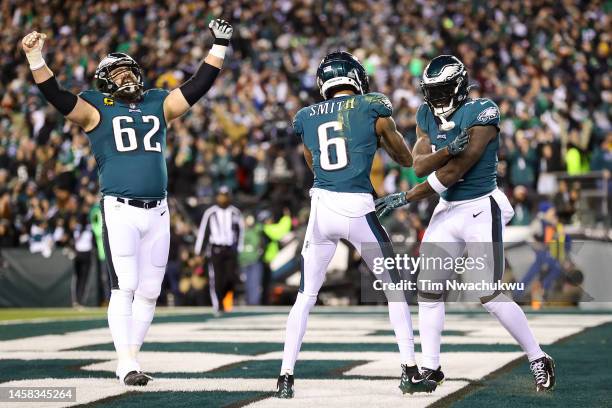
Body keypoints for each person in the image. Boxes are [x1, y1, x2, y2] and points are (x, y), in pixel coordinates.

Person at [21, 18, 233, 386]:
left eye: (128, 70)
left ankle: (131, 358)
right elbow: (56, 95)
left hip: (159, 210)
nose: (125, 77)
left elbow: (197, 87)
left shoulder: (156, 103)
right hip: (119, 209)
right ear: (104, 80)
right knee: (126, 285)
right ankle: (125, 363)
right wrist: (36, 58)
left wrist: (218, 47)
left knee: (151, 290)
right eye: (117, 73)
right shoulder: (95, 108)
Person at [376, 55, 556, 393]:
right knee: (428, 289)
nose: (438, 98)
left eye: (444, 90)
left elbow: (454, 171)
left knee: (488, 291)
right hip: (447, 208)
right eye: (433, 91)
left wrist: (407, 197)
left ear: (459, 86)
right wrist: (443, 153)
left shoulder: (483, 112)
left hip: (478, 207)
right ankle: (431, 368)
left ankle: (537, 356)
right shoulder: (425, 114)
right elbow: (418, 164)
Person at [275, 51, 435, 399]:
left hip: (321, 209)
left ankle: (285, 376)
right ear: (356, 78)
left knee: (305, 296)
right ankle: (409, 370)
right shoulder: (372, 106)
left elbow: (314, 164)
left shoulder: (305, 116)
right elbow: (405, 159)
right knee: (395, 290)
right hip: (359, 208)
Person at [194, 186, 244, 315]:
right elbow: (203, 233)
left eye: (226, 195)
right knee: (217, 278)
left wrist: (239, 248)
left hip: (230, 249)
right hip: (216, 249)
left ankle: (225, 300)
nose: (223, 198)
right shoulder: (210, 212)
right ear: (217, 196)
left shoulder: (235, 212)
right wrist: (199, 252)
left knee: (231, 278)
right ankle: (219, 305)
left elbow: (241, 231)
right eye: (221, 195)